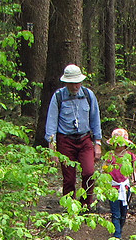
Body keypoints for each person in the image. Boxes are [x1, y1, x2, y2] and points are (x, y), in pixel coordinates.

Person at [43, 64, 102, 204]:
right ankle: (70, 206)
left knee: (88, 172)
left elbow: (95, 118)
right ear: (66, 83)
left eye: (77, 83)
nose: (75, 86)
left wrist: (97, 143)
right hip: (65, 140)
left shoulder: (88, 95)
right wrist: (52, 147)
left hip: (85, 139)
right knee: (69, 178)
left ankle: (86, 205)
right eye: (71, 84)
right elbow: (51, 121)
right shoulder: (58, 97)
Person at [101, 127, 136, 240]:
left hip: (125, 187)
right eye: (115, 143)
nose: (118, 145)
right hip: (113, 187)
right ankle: (117, 235)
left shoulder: (129, 156)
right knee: (115, 212)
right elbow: (104, 169)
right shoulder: (110, 156)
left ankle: (120, 229)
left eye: (120, 143)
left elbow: (133, 170)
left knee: (124, 211)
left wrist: (135, 181)